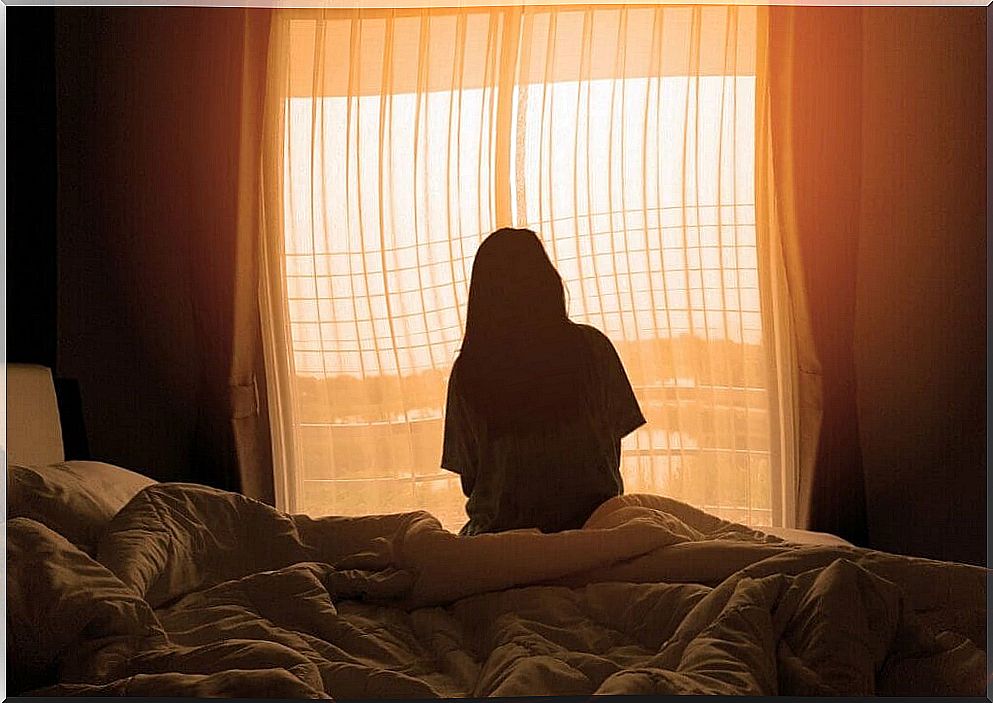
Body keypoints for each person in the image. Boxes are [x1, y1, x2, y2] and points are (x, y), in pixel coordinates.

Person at [441, 227, 646, 536]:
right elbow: (610, 448)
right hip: (592, 528)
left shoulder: (469, 371)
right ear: (548, 282)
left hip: (501, 538)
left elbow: (470, 478)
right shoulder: (593, 348)